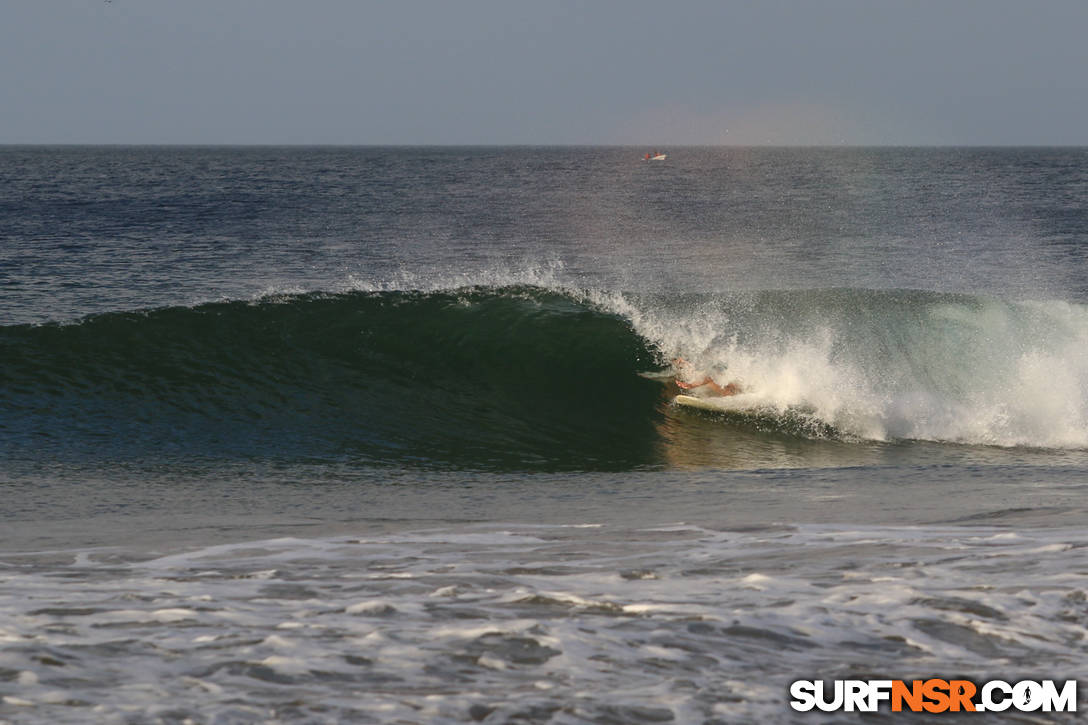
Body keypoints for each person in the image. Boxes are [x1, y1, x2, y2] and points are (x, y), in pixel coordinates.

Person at [673, 357, 741, 396]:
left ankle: (680, 362)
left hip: (703, 377)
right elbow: (711, 376)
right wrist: (692, 385)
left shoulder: (732, 391)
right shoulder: (730, 385)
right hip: (706, 377)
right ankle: (680, 362)